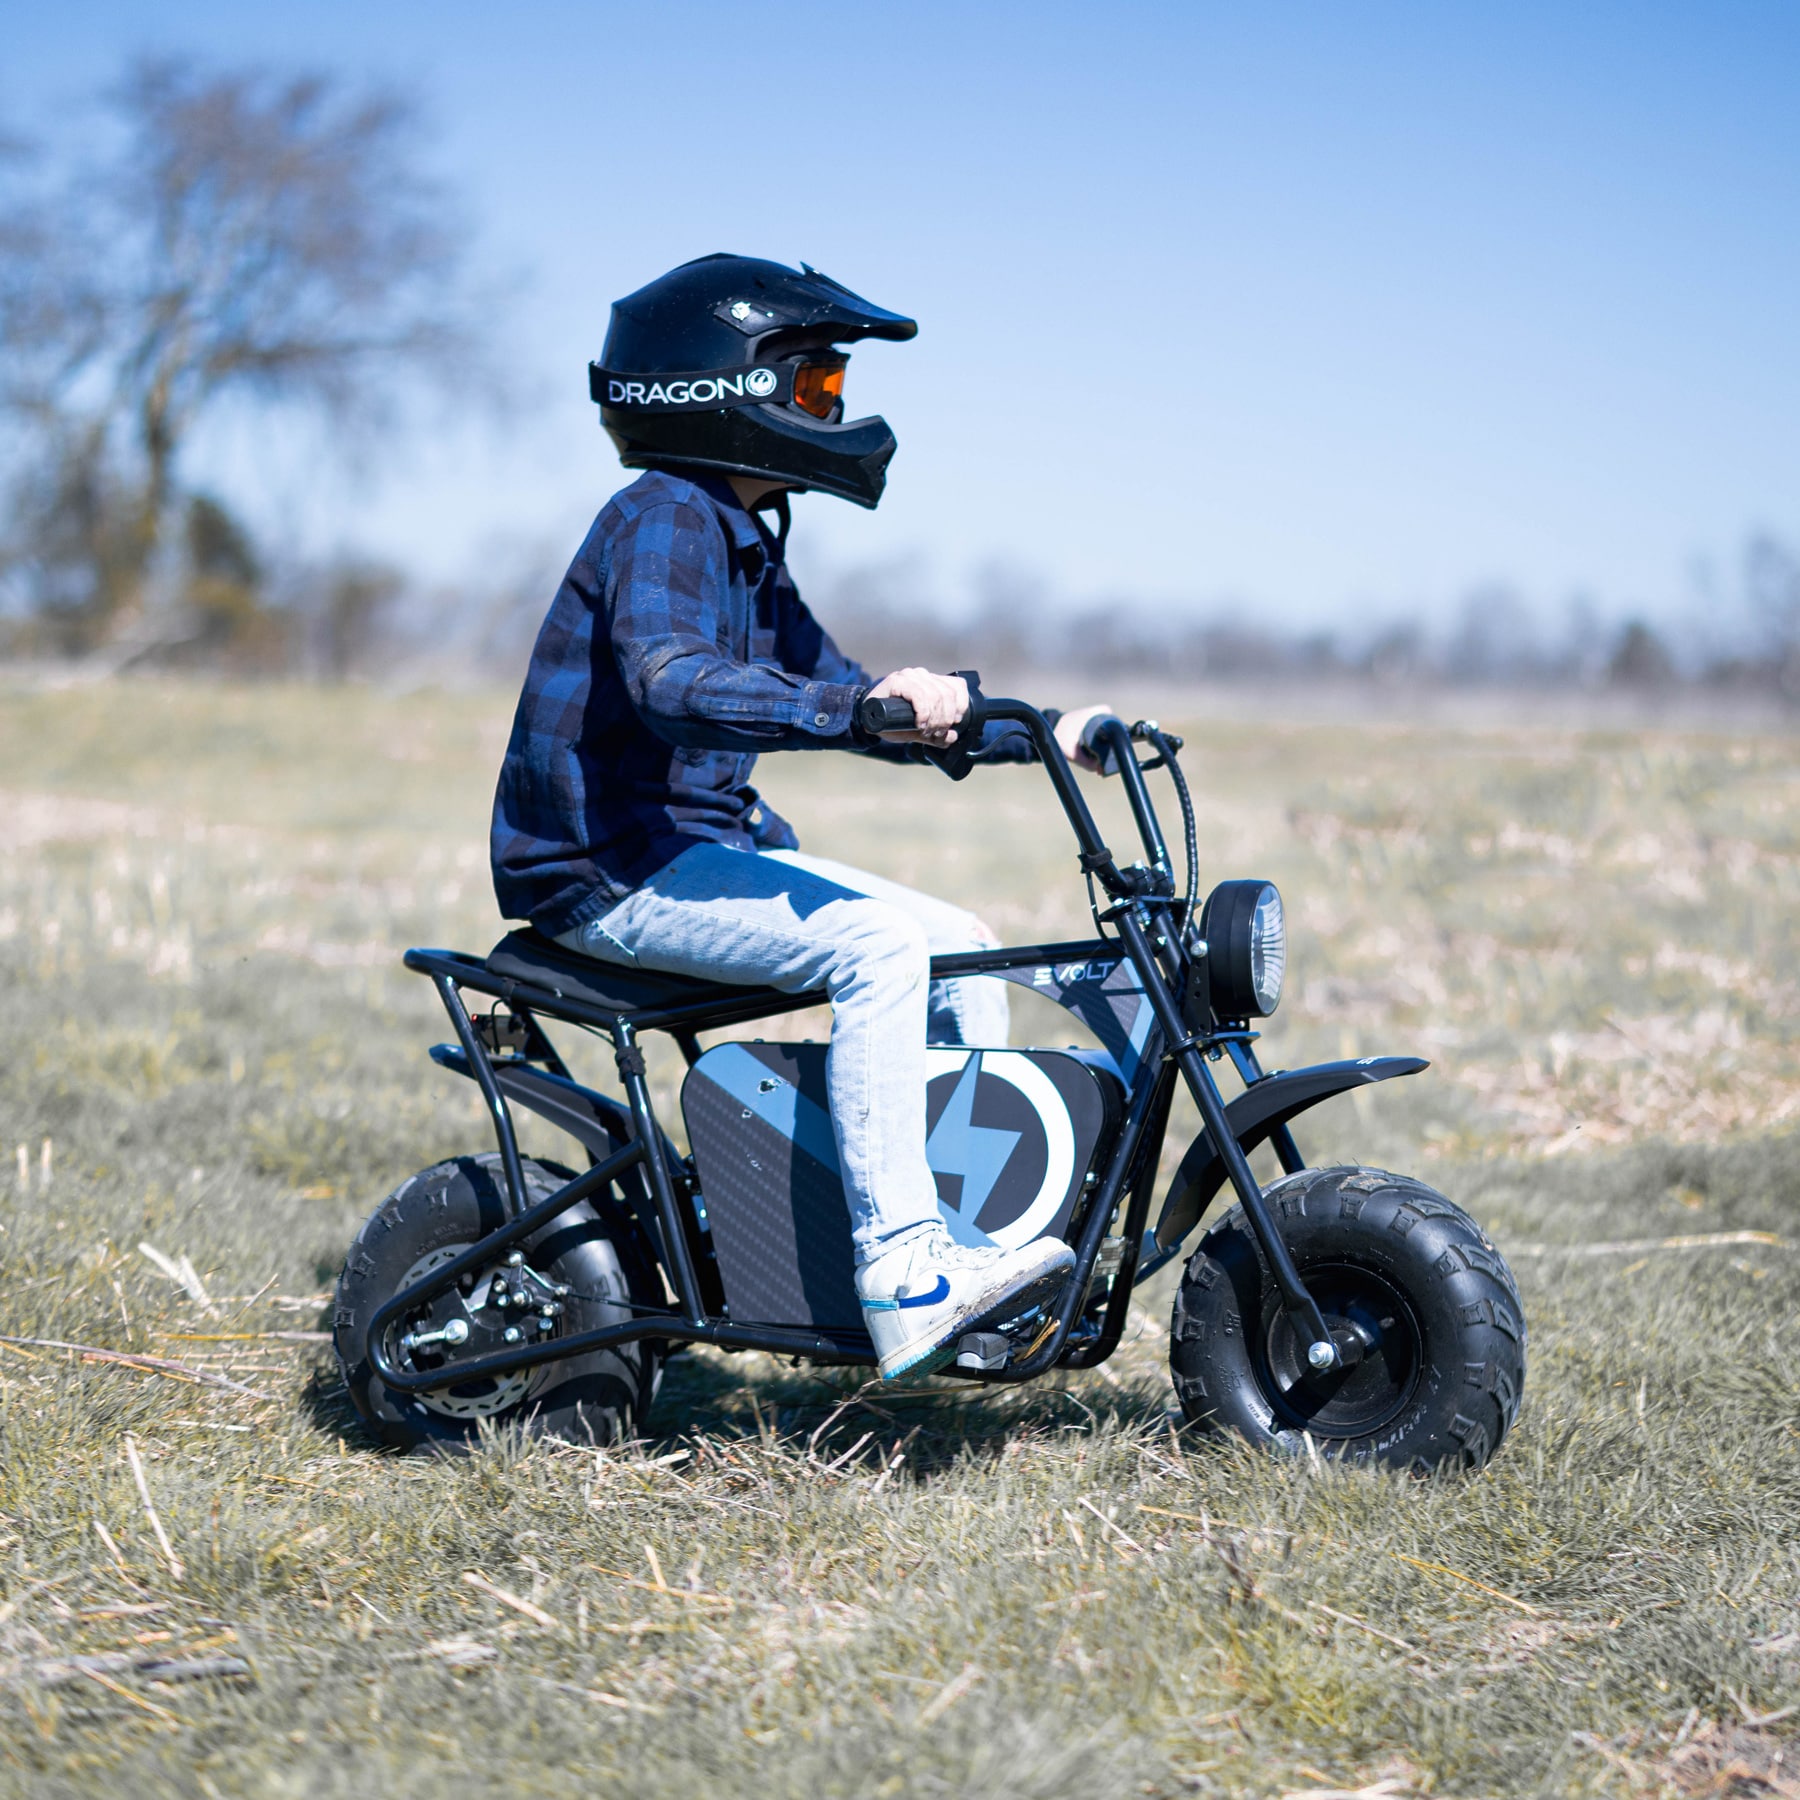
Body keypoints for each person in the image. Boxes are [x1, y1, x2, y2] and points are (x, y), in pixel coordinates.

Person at [491, 254, 1112, 1379]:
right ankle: (908, 1272)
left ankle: (966, 1238)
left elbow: (852, 689)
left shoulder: (741, 541)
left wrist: (1047, 729)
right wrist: (853, 708)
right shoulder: (664, 517)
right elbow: (672, 680)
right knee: (880, 949)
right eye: (816, 388)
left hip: (692, 851)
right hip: (609, 870)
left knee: (961, 943)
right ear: (724, 388)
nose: (832, 411)